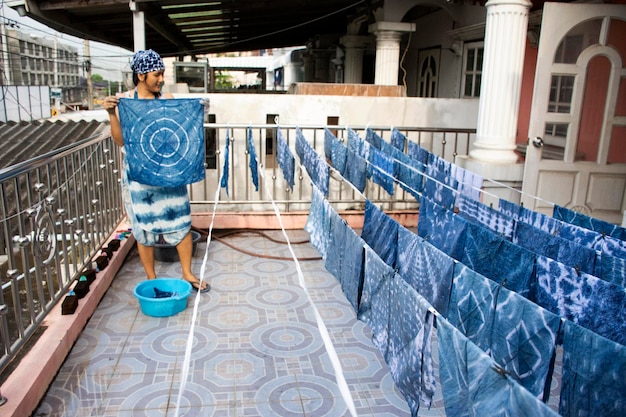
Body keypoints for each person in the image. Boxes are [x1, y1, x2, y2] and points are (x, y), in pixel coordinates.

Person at [102, 49, 210, 293]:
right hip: (139, 177)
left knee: (181, 220)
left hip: (169, 173)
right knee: (144, 226)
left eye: (162, 74)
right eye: (157, 74)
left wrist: (196, 109)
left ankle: (187, 273)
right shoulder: (126, 102)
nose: (161, 79)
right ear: (141, 75)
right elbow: (122, 141)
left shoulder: (168, 100)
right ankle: (151, 278)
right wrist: (111, 113)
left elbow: (178, 134)